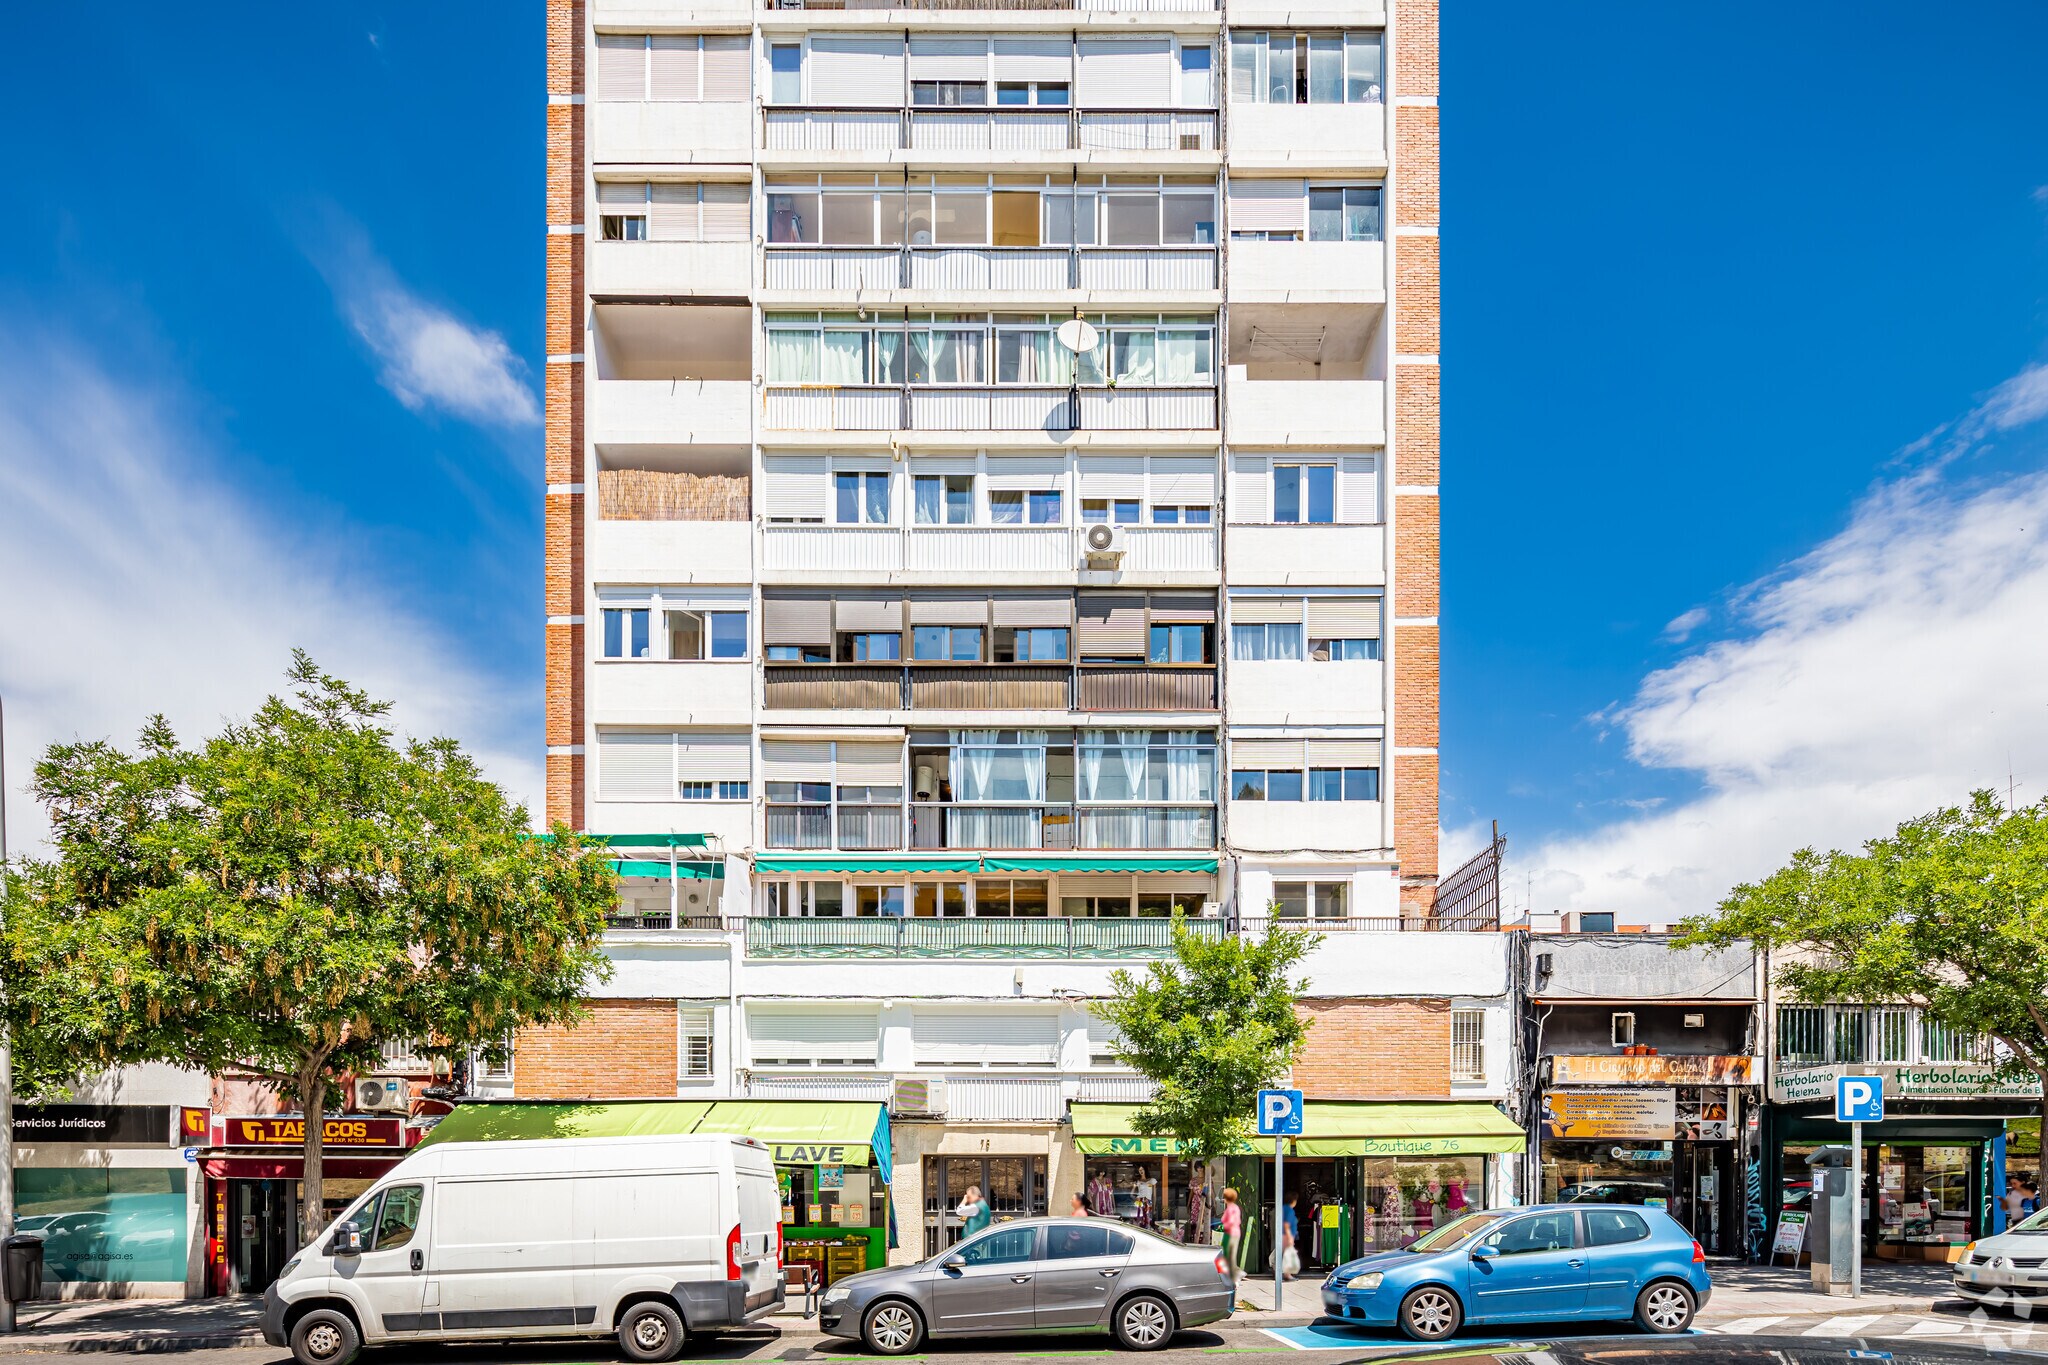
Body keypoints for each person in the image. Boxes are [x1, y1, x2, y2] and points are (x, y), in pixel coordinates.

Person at [1220, 1187, 1244, 1283]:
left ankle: (1235, 1275)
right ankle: (1232, 1275)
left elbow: (1231, 1221)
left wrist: (1224, 1224)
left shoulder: (1231, 1209)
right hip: (1233, 1233)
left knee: (1229, 1256)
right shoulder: (1233, 1208)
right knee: (1229, 1255)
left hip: (1230, 1233)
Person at [1280, 1199, 1299, 1278]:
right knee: (1287, 1255)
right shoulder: (1290, 1211)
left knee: (1284, 1253)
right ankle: (1287, 1274)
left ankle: (1285, 1273)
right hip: (1287, 1235)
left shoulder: (1283, 1208)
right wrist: (1290, 1237)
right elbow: (1286, 1224)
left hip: (1283, 1235)